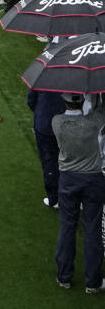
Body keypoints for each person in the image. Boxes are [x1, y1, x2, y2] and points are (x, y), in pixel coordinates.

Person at [51, 93, 105, 293]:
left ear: (64, 101)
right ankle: (93, 282)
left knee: (67, 227)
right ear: (82, 101)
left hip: (68, 180)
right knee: (92, 230)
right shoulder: (94, 121)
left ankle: (64, 276)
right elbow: (101, 113)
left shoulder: (57, 122)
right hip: (93, 180)